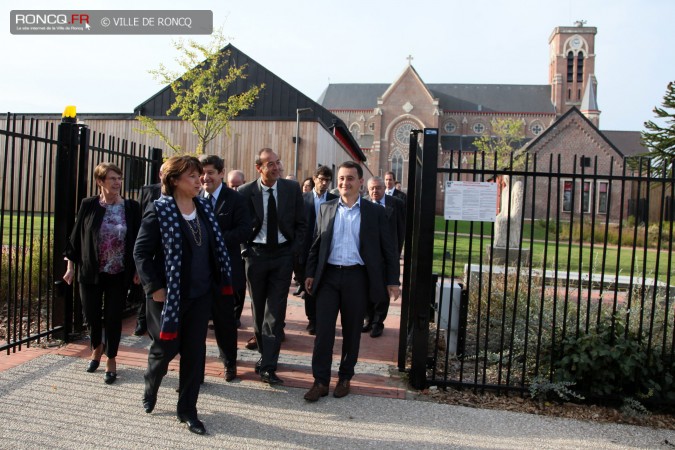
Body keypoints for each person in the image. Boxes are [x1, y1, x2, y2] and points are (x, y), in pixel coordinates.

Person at [133, 155, 233, 435]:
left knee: (194, 352)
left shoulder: (204, 208)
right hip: (169, 296)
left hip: (201, 295)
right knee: (165, 350)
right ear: (174, 180)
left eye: (200, 175)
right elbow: (140, 252)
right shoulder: (160, 210)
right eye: (192, 176)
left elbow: (213, 248)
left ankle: (187, 409)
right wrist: (155, 287)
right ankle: (151, 383)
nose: (199, 180)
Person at [303, 161, 400, 402]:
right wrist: (310, 273)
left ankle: (345, 377)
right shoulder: (326, 208)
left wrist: (393, 281)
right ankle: (320, 381)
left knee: (352, 331)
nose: (344, 183)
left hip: (357, 277)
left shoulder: (375, 212)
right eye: (342, 178)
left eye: (350, 178)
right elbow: (316, 244)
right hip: (328, 277)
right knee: (323, 331)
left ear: (360, 183)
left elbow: (389, 249)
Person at [63, 162, 141, 384]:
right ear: (100, 182)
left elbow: (138, 241)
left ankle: (111, 358)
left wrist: (137, 269)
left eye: (119, 178)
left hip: (119, 273)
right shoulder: (88, 205)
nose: (117, 183)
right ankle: (96, 348)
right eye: (112, 179)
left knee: (114, 317)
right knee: (91, 316)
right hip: (90, 271)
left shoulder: (131, 207)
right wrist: (70, 268)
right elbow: (76, 238)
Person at [238, 148, 306, 385]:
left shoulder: (291, 189)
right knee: (258, 313)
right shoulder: (245, 192)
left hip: (282, 256)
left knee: (275, 313)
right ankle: (264, 355)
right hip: (256, 256)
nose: (276, 168)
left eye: (278, 162)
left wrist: (293, 251)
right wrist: (244, 250)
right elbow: (240, 226)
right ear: (259, 168)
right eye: (270, 164)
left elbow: (302, 223)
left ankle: (268, 365)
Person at [199, 154, 251, 382]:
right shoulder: (194, 198)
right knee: (197, 323)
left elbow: (244, 230)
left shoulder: (235, 199)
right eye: (201, 173)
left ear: (221, 173)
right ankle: (195, 367)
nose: (205, 177)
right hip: (198, 273)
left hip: (225, 272)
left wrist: (215, 237)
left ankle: (229, 363)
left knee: (225, 322)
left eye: (210, 172)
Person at [363, 176, 405, 337]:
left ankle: (378, 322)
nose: (375, 191)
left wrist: (395, 253)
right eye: (372, 188)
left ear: (384, 188)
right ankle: (368, 319)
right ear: (368, 189)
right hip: (366, 255)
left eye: (378, 188)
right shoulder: (363, 203)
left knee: (382, 290)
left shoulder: (396, 204)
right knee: (366, 289)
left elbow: (401, 231)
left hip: (386, 255)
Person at [299, 166, 336, 334]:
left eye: (327, 180)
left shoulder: (334, 200)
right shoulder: (302, 199)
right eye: (321, 179)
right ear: (314, 178)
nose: (324, 183)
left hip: (325, 249)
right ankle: (312, 319)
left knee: (323, 285)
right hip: (304, 249)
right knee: (307, 285)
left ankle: (321, 318)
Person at [132, 173, 164, 337]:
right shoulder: (148, 191)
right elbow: (140, 216)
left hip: (161, 250)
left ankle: (148, 321)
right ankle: (141, 320)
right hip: (147, 241)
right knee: (147, 285)